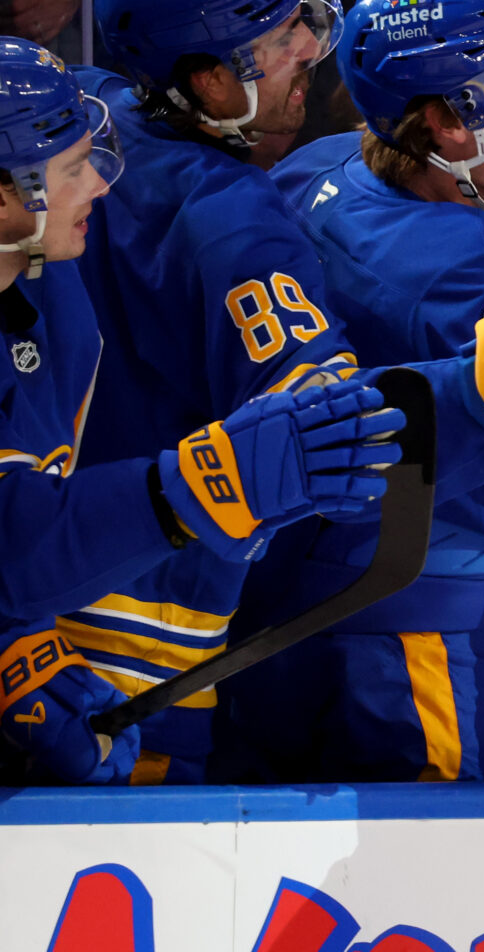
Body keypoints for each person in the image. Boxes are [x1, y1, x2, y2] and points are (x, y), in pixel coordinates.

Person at [60, 0, 484, 783]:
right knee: (449, 864)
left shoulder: (105, 116)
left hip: (241, 603)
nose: (308, 48)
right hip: (350, 621)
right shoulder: (240, 223)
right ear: (446, 120)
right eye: (277, 38)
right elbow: (321, 435)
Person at [0, 38, 405, 785]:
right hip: (137, 631)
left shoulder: (46, 281)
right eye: (72, 167)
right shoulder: (227, 215)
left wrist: (13, 645)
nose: (101, 184)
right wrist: (187, 490)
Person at [223, 0, 484, 783]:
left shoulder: (314, 168)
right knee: (453, 862)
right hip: (426, 620)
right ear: (449, 121)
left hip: (274, 599)